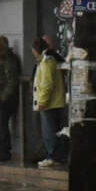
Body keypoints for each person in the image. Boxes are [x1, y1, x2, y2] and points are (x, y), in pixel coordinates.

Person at [32, 36, 67, 168]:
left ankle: (52, 156)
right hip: (53, 102)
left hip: (49, 103)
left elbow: (47, 84)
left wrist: (42, 101)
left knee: (49, 131)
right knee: (54, 130)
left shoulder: (47, 61)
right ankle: (56, 156)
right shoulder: (49, 60)